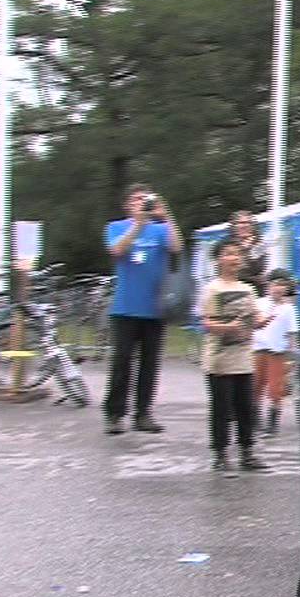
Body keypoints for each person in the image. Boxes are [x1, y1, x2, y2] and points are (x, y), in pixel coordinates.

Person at [103, 183, 183, 435]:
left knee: (149, 364)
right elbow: (117, 250)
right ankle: (115, 414)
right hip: (126, 308)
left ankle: (143, 413)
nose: (142, 202)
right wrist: (137, 224)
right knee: (122, 363)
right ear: (127, 204)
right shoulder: (116, 227)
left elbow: (176, 247)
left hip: (154, 308)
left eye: (146, 198)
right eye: (137, 199)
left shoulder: (159, 230)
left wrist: (166, 215)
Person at [201, 239, 269, 474]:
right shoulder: (213, 289)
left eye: (238, 254)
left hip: (244, 358)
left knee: (246, 408)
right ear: (219, 259)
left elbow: (255, 319)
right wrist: (227, 327)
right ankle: (220, 453)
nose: (235, 258)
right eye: (229, 254)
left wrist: (265, 320)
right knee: (222, 408)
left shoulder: (248, 289)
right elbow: (207, 322)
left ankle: (247, 452)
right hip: (220, 359)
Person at [253, 269, 299, 437]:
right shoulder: (259, 303)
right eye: (275, 284)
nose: (278, 288)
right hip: (258, 349)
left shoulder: (289, 309)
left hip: (277, 352)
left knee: (276, 388)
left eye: (282, 285)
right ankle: (254, 420)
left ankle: (272, 424)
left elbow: (292, 333)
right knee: (255, 385)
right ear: (268, 286)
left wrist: (292, 357)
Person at [230, 210, 269, 295]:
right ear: (234, 225)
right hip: (233, 292)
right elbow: (233, 272)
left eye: (248, 223)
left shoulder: (259, 243)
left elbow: (259, 268)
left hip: (256, 292)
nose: (244, 226)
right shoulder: (228, 245)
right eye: (240, 223)